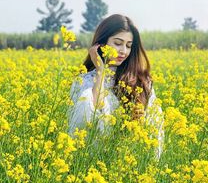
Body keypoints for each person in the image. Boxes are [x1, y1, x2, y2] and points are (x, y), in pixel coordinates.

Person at [67, 14, 164, 160]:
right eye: (118, 43)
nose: (123, 51)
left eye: (128, 46)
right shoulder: (84, 81)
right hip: (91, 162)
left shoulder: (141, 81)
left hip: (130, 162)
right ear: (101, 43)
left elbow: (154, 128)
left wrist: (141, 121)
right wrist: (100, 71)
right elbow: (88, 117)